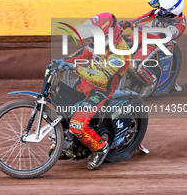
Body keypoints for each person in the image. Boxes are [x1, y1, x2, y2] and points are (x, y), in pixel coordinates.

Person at [55, 12, 131, 170]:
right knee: (59, 107)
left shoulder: (120, 55)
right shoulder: (100, 41)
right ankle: (67, 142)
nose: (91, 41)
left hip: (100, 92)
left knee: (77, 125)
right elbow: (84, 53)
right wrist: (62, 62)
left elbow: (102, 78)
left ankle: (100, 148)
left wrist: (75, 68)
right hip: (83, 84)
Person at [119, 0, 185, 89]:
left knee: (134, 66)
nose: (159, 11)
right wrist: (125, 23)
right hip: (145, 33)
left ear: (172, 12)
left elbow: (159, 34)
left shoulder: (178, 27)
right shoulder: (162, 12)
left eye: (162, 10)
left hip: (156, 41)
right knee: (123, 46)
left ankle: (150, 82)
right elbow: (142, 18)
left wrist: (136, 26)